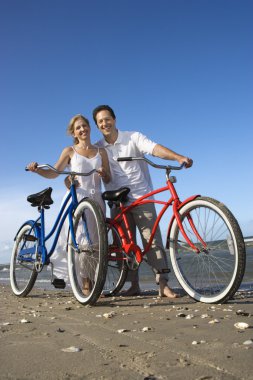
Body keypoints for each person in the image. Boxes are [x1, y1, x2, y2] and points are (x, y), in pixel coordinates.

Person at [93, 105, 193, 298]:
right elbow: (94, 169)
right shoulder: (98, 148)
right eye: (100, 121)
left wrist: (178, 157)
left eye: (107, 119)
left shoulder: (133, 137)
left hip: (141, 197)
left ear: (114, 119)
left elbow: (155, 149)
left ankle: (163, 284)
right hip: (117, 201)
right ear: (98, 126)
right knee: (124, 245)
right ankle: (134, 285)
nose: (105, 123)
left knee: (152, 240)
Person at [27, 114, 111, 293]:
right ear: (73, 133)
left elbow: (109, 177)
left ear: (89, 127)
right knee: (82, 242)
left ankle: (94, 282)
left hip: (97, 199)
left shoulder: (101, 151)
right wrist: (37, 170)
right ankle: (86, 285)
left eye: (84, 126)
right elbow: (54, 173)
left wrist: (104, 173)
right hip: (77, 199)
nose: (82, 130)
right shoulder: (70, 151)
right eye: (78, 128)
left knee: (97, 245)